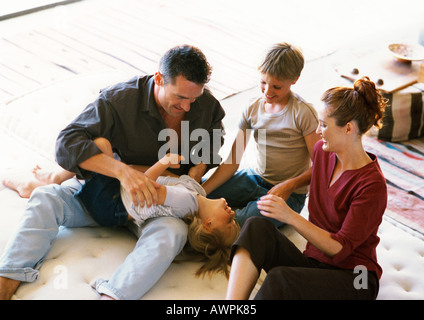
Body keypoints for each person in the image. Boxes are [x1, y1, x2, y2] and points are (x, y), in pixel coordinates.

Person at [0, 44, 226, 300]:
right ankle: (7, 281)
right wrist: (123, 172)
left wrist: (196, 173)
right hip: (109, 194)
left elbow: (214, 141)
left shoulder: (206, 106)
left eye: (193, 99)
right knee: (47, 199)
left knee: (174, 232)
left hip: (160, 206)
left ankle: (113, 295)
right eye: (180, 98)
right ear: (160, 79)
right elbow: (67, 142)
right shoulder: (119, 100)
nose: (187, 107)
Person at [225, 77, 388, 300]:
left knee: (280, 280)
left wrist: (290, 216)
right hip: (316, 263)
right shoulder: (323, 151)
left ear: (348, 128)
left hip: (356, 279)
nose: (318, 131)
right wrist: (290, 184)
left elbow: (340, 248)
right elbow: (318, 176)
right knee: (255, 228)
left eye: (324, 124)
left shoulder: (372, 185)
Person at [77, 137, 240, 278]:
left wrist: (165, 161)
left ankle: (61, 176)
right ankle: (73, 176)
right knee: (108, 156)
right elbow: (174, 181)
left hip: (111, 203)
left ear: (209, 224)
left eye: (229, 221)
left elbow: (145, 185)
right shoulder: (197, 194)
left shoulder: (187, 202)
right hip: (116, 207)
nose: (232, 213)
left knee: (101, 145)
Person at [202, 42, 320, 228]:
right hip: (254, 178)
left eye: (277, 87)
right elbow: (233, 161)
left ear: (295, 79)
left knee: (240, 223)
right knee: (201, 196)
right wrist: (200, 192)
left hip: (290, 193)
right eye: (263, 83)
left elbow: (323, 165)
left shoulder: (303, 113)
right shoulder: (252, 108)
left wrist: (289, 186)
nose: (267, 91)